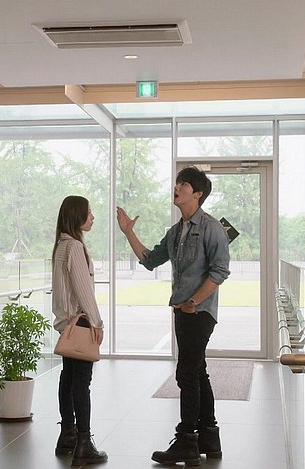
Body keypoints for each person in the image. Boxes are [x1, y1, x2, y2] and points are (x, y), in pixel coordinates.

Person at [116, 166, 230, 466]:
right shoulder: (177, 231)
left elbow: (220, 271)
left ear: (198, 193)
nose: (176, 187)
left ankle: (187, 441)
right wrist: (128, 232)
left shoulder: (211, 228)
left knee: (186, 374)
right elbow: (150, 259)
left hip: (200, 312)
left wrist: (194, 301)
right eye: (177, 182)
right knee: (197, 371)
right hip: (183, 311)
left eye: (183, 184)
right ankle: (209, 437)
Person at [51, 195, 108, 466]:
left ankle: (68, 435)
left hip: (66, 324)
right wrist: (97, 322)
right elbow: (83, 289)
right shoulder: (74, 247)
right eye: (89, 212)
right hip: (81, 322)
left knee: (69, 378)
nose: (92, 217)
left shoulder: (61, 245)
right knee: (81, 382)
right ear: (77, 216)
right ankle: (84, 442)